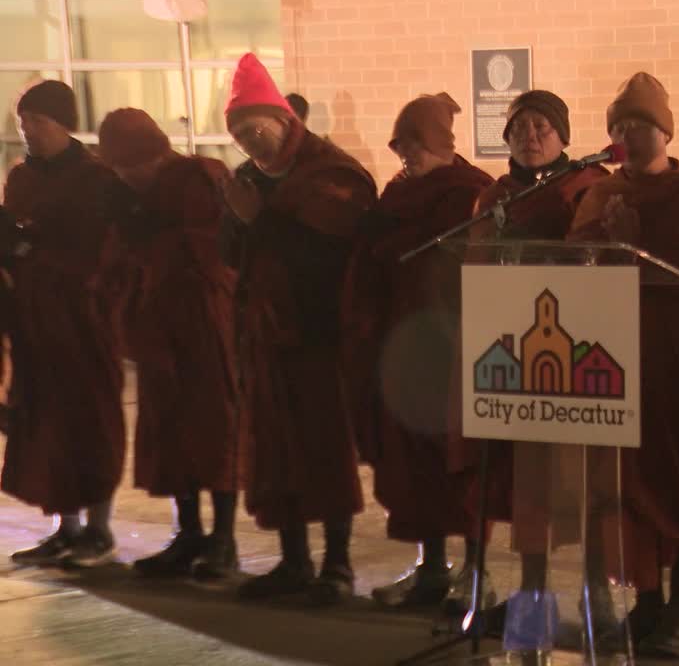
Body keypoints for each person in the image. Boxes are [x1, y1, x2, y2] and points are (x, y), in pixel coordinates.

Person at [567, 72, 679, 657]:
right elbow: (573, 267)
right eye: (619, 127)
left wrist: (639, 246)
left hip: (677, 354)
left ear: (665, 131)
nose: (628, 135)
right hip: (613, 355)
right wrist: (605, 250)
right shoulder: (598, 194)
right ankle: (647, 604)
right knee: (629, 485)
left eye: (640, 125)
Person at [219, 53, 375, 605]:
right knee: (278, 451)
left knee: (325, 451)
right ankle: (293, 560)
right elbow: (232, 252)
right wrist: (243, 223)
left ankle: (337, 563)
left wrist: (258, 220)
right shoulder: (247, 180)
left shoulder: (330, 173)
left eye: (255, 130)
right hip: (266, 337)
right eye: (239, 138)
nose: (250, 146)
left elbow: (330, 254)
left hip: (319, 335)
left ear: (284, 121)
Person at [342, 93, 497, 609]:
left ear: (439, 143)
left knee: (461, 459)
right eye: (401, 143)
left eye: (416, 142)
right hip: (402, 343)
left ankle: (476, 570)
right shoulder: (396, 193)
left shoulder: (471, 193)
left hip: (452, 345)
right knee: (412, 461)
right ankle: (431, 566)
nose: (406, 153)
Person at [470, 90, 612, 629]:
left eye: (541, 127)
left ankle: (596, 588)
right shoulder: (492, 199)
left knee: (588, 479)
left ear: (563, 137)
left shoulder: (589, 187)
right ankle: (532, 594)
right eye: (520, 127)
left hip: (578, 349)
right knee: (528, 481)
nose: (530, 136)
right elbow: (476, 263)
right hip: (515, 352)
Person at [96, 108, 241, 580]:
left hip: (203, 321)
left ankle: (222, 538)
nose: (126, 178)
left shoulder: (198, 179)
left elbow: (210, 249)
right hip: (160, 325)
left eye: (130, 168)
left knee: (214, 425)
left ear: (152, 156)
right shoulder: (131, 194)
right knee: (172, 428)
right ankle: (189, 532)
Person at [1, 80, 127, 568]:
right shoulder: (22, 178)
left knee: (89, 419)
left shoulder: (96, 180)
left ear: (63, 123)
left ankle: (98, 529)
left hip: (83, 320)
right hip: (33, 321)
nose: (28, 131)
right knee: (47, 424)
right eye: (22, 122)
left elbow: (100, 252)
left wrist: (36, 250)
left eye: (37, 121)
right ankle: (65, 525)